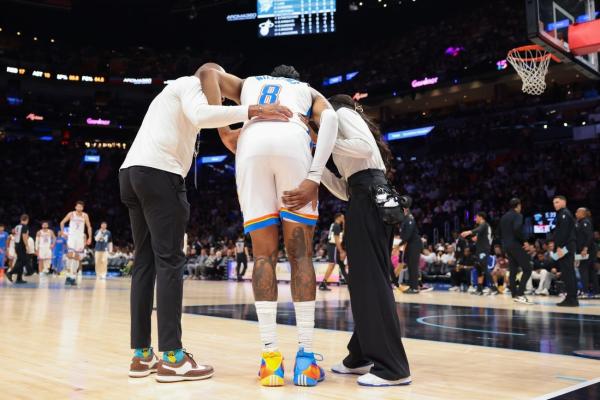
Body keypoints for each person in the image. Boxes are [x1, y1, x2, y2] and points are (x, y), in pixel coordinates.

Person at [119, 62, 292, 382]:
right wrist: (252, 110)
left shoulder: (170, 92)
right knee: (170, 262)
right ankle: (173, 357)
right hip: (159, 174)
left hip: (131, 174)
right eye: (221, 90)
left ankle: (141, 355)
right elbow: (201, 115)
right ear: (213, 78)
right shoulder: (191, 84)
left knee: (145, 263)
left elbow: (201, 116)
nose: (221, 99)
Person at [201, 64, 338, 387]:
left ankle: (270, 361)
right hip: (292, 142)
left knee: (263, 256)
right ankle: (305, 360)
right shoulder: (306, 90)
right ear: (296, 79)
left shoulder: (249, 83)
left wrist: (224, 131)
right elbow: (331, 119)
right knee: (301, 256)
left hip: (251, 145)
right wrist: (314, 177)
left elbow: (207, 71)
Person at [304, 94, 411, 387]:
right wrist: (316, 162)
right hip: (364, 198)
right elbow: (345, 189)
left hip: (371, 200)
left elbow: (363, 148)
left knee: (371, 281)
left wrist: (323, 142)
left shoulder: (341, 114)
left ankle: (393, 368)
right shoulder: (337, 130)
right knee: (364, 281)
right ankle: (360, 355)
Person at [499, 198, 533, 304]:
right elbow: (517, 229)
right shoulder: (518, 215)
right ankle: (520, 294)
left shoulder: (504, 217)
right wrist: (524, 241)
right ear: (518, 205)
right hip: (515, 245)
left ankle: (514, 294)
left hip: (506, 246)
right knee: (528, 269)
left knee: (513, 270)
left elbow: (499, 232)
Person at [460, 212, 498, 295]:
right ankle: (479, 289)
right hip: (479, 250)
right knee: (479, 268)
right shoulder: (482, 227)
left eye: (476, 217)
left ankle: (494, 288)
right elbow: (480, 236)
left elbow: (478, 230)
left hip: (484, 250)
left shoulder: (484, 225)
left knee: (484, 268)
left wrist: (468, 232)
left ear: (481, 217)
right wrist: (475, 238)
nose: (475, 219)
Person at [551, 195, 578, 307]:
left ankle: (571, 299)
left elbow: (563, 232)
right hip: (567, 246)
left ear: (563, 202)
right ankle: (572, 298)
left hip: (565, 247)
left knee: (568, 273)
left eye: (557, 202)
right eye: (554, 203)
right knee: (568, 273)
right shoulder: (564, 213)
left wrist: (559, 246)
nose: (555, 204)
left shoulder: (564, 214)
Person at [60, 201, 92, 286]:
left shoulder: (85, 215)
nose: (79, 208)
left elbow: (89, 227)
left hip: (80, 238)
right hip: (72, 237)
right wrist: (62, 232)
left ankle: (73, 277)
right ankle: (68, 276)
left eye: (81, 206)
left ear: (83, 208)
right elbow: (62, 222)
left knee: (77, 257)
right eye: (78, 206)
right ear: (75, 207)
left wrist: (90, 237)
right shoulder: (71, 214)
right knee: (70, 256)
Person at [400, 198, 422, 294]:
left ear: (405, 209)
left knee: (413, 266)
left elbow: (407, 235)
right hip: (410, 245)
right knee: (410, 265)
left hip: (414, 245)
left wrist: (399, 244)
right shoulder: (405, 219)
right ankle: (411, 285)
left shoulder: (409, 219)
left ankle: (414, 287)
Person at [320, 213, 346, 291]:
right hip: (333, 246)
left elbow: (343, 234)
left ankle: (348, 280)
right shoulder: (336, 226)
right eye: (342, 217)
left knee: (340, 263)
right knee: (332, 264)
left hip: (332, 245)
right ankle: (323, 283)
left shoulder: (334, 224)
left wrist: (344, 223)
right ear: (338, 217)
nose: (343, 218)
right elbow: (337, 240)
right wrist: (341, 251)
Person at [575, 207, 598, 299]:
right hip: (587, 251)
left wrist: (585, 248)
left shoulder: (585, 222)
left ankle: (584, 292)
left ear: (582, 213)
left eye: (577, 212)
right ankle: (597, 292)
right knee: (591, 272)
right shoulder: (580, 222)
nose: (576, 213)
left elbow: (589, 236)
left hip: (586, 251)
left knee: (583, 270)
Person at [6, 214, 30, 284]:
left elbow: (15, 234)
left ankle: (19, 278)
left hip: (16, 245)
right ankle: (10, 273)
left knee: (20, 261)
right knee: (22, 261)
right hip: (21, 246)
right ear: (27, 220)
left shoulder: (17, 226)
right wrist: (27, 246)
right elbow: (24, 236)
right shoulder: (24, 226)